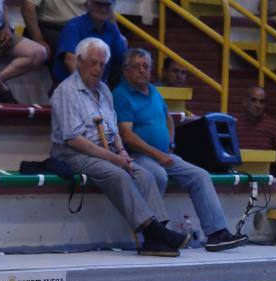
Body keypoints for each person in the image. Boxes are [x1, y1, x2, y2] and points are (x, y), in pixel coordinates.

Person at [50, 38, 189, 257]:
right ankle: (156, 233)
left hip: (107, 152)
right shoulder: (66, 92)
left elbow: (114, 130)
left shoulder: (104, 90)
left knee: (144, 175)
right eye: (92, 63)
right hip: (76, 154)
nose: (97, 69)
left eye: (102, 64)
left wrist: (121, 151)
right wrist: (115, 159)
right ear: (79, 61)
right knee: (119, 175)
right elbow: (73, 140)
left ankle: (158, 235)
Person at [113, 49, 247, 252]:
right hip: (137, 155)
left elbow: (168, 119)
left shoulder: (153, 91)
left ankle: (217, 233)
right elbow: (126, 135)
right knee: (157, 175)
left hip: (164, 154)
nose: (142, 71)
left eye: (146, 66)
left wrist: (171, 144)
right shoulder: (121, 95)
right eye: (136, 66)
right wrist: (159, 155)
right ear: (125, 70)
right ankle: (158, 236)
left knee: (200, 175)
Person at [53, 0, 127, 86]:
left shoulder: (111, 28)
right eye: (98, 4)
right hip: (71, 86)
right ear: (87, 5)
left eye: (107, 5)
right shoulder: (74, 26)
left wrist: (114, 23)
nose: (103, 9)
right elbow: (70, 60)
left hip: (99, 86)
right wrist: (86, 89)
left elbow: (123, 57)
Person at [233, 86, 276, 176]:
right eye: (253, 100)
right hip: (237, 174)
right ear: (245, 102)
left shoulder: (274, 125)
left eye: (261, 102)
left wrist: (267, 162)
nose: (258, 105)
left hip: (264, 177)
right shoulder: (234, 124)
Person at [21, 0, 85, 63]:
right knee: (70, 53)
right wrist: (39, 40)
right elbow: (27, 8)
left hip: (82, 28)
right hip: (51, 28)